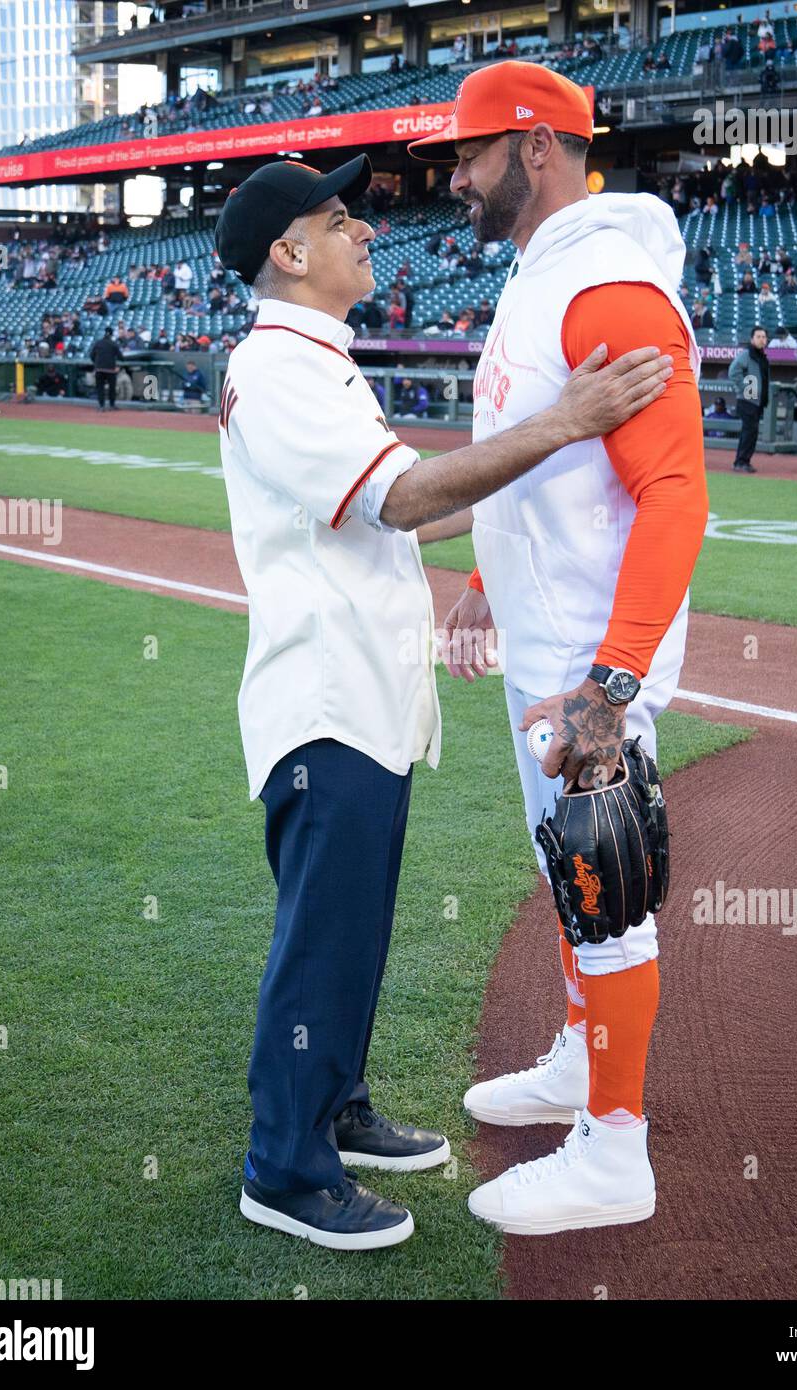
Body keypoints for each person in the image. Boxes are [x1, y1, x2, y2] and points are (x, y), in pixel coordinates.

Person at [212, 149, 671, 1251]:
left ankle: (335, 1105)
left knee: (353, 926)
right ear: (289, 251)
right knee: (321, 937)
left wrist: (535, 498)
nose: (365, 230)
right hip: (328, 699)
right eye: (338, 219)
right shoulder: (278, 364)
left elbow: (409, 515)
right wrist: (563, 423)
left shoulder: (311, 354)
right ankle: (285, 1165)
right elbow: (405, 492)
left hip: (362, 695)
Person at [409, 61, 707, 1235]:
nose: (454, 176)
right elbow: (537, 464)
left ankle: (613, 1148)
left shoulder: (606, 287)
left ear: (535, 147)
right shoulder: (542, 278)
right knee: (566, 868)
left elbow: (675, 494)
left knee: (606, 881)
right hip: (550, 650)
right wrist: (484, 575)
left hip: (594, 663)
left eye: (470, 153)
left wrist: (611, 684)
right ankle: (585, 1062)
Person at [727, 325, 769, 472]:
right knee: (749, 432)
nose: (761, 339)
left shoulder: (761, 356)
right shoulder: (747, 354)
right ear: (752, 339)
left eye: (764, 337)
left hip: (756, 402)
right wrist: (746, 388)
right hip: (747, 400)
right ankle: (740, 462)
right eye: (758, 337)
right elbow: (733, 371)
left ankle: (744, 461)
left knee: (752, 433)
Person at [91, 327, 121, 410]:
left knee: (100, 388)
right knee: (112, 388)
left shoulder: (98, 343)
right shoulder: (113, 344)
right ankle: (112, 405)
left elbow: (92, 356)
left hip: (99, 369)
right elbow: (120, 357)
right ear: (111, 334)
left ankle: (101, 406)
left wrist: (96, 363)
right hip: (110, 369)